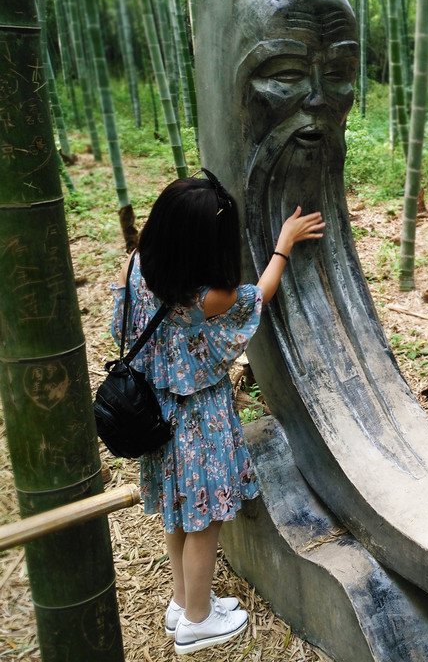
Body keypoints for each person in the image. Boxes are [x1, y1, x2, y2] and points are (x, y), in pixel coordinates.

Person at [111, 169, 324, 655]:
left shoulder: (137, 263)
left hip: (156, 414)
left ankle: (184, 601)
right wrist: (283, 244)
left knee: (177, 512)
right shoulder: (207, 297)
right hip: (197, 421)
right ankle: (199, 623)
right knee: (205, 520)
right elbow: (260, 294)